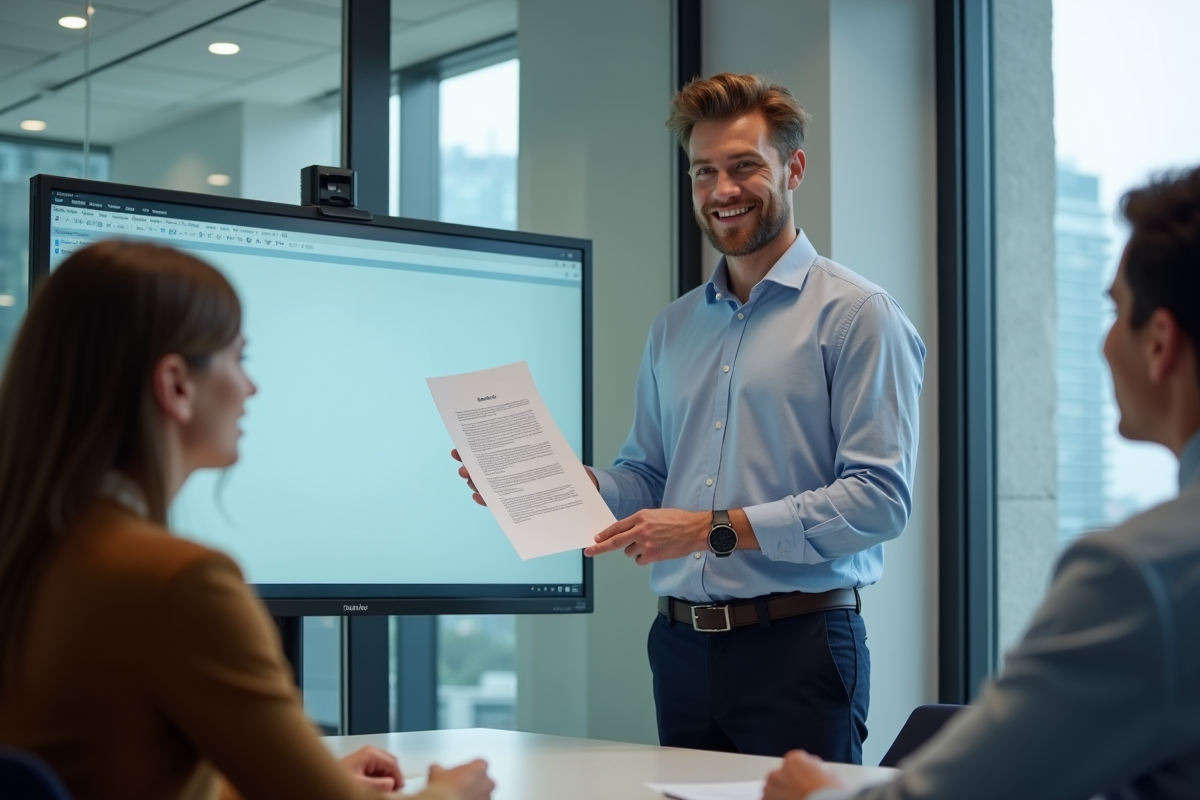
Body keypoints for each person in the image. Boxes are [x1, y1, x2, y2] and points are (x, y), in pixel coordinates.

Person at [455, 73, 925, 763]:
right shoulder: (673, 326)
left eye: (744, 167)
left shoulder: (858, 316)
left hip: (797, 647)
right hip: (678, 648)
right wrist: (560, 481)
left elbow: (880, 502)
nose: (722, 191)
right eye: (704, 172)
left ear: (793, 168)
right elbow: (649, 476)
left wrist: (713, 531)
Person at [763, 167, 1200, 800]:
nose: (1105, 343)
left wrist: (816, 797)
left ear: (1160, 342)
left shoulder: (1140, 578)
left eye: (1116, 311)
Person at [0, 242, 494, 800]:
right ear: (177, 385)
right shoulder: (176, 582)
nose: (250, 387)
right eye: (239, 359)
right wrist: (452, 793)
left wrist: (296, 777)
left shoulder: (34, 550)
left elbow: (120, 772)